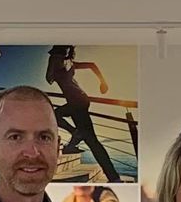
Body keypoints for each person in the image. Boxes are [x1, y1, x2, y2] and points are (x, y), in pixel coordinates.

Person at [46, 45, 123, 182]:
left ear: (57, 54)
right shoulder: (70, 63)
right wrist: (103, 83)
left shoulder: (55, 60)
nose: (52, 58)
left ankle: (114, 177)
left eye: (53, 55)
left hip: (76, 102)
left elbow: (48, 79)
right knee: (91, 141)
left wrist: (53, 69)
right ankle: (113, 176)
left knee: (91, 141)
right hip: (80, 100)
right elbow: (92, 65)